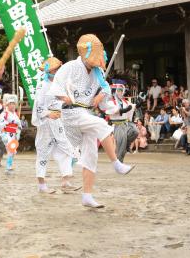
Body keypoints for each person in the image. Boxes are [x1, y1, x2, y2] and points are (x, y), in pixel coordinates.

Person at [49, 34, 134, 209]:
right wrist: (63, 97)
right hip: (71, 114)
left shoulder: (98, 74)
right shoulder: (70, 67)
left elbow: (104, 103)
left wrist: (103, 96)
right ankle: (116, 163)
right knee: (102, 125)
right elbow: (56, 86)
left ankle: (87, 196)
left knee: (91, 154)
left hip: (85, 113)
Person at [32, 57, 79, 194]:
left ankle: (66, 181)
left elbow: (66, 99)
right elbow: (38, 106)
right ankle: (41, 184)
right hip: (46, 123)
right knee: (43, 152)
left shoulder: (60, 84)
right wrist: (47, 114)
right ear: (50, 71)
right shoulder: (42, 86)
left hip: (58, 122)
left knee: (66, 149)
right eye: (56, 70)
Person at [102, 82, 137, 162]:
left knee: (135, 131)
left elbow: (132, 107)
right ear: (115, 92)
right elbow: (111, 111)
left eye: (121, 90)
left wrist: (138, 103)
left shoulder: (125, 101)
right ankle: (119, 162)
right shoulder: (110, 102)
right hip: (117, 124)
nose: (120, 92)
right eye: (119, 90)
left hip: (126, 123)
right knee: (121, 143)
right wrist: (124, 110)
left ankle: (127, 145)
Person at [0, 94, 22, 175]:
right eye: (11, 104)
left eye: (13, 104)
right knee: (10, 150)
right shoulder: (5, 113)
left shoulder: (15, 114)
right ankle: (8, 167)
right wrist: (4, 134)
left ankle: (9, 166)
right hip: (7, 134)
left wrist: (18, 132)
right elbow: (1, 124)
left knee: (12, 151)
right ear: (7, 105)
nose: (12, 105)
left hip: (13, 134)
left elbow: (19, 125)